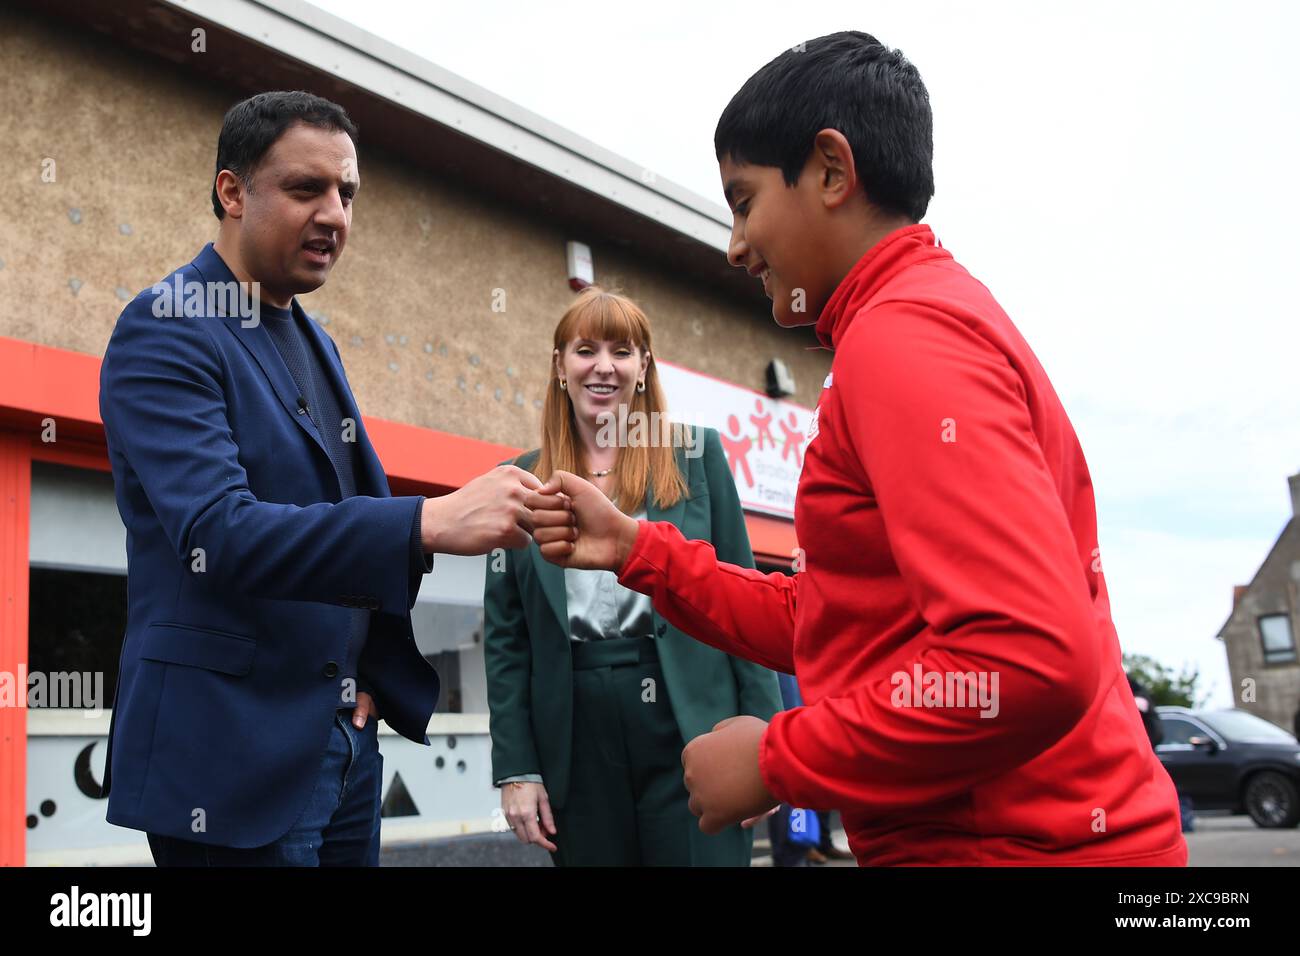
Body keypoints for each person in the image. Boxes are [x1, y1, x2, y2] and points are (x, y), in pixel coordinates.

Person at [525, 33, 1188, 866]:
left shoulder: (903, 340)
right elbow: (834, 619)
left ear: (832, 172)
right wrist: (636, 548)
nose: (735, 246)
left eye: (743, 201)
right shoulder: (918, 322)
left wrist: (778, 760)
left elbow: (1026, 659)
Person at [99, 91, 541, 866]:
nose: (335, 214)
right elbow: (219, 533)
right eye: (306, 189)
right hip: (226, 763)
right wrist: (426, 522)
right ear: (232, 192)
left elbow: (333, 518)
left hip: (340, 747)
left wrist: (356, 686)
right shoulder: (166, 325)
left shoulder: (315, 340)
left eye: (348, 193)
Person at [483, 287, 783, 866]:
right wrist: (517, 766)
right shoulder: (518, 480)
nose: (603, 366)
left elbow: (747, 598)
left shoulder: (698, 455)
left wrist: (768, 739)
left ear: (643, 367)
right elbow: (506, 638)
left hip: (695, 719)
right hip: (574, 728)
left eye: (621, 351)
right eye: (585, 350)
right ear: (559, 366)